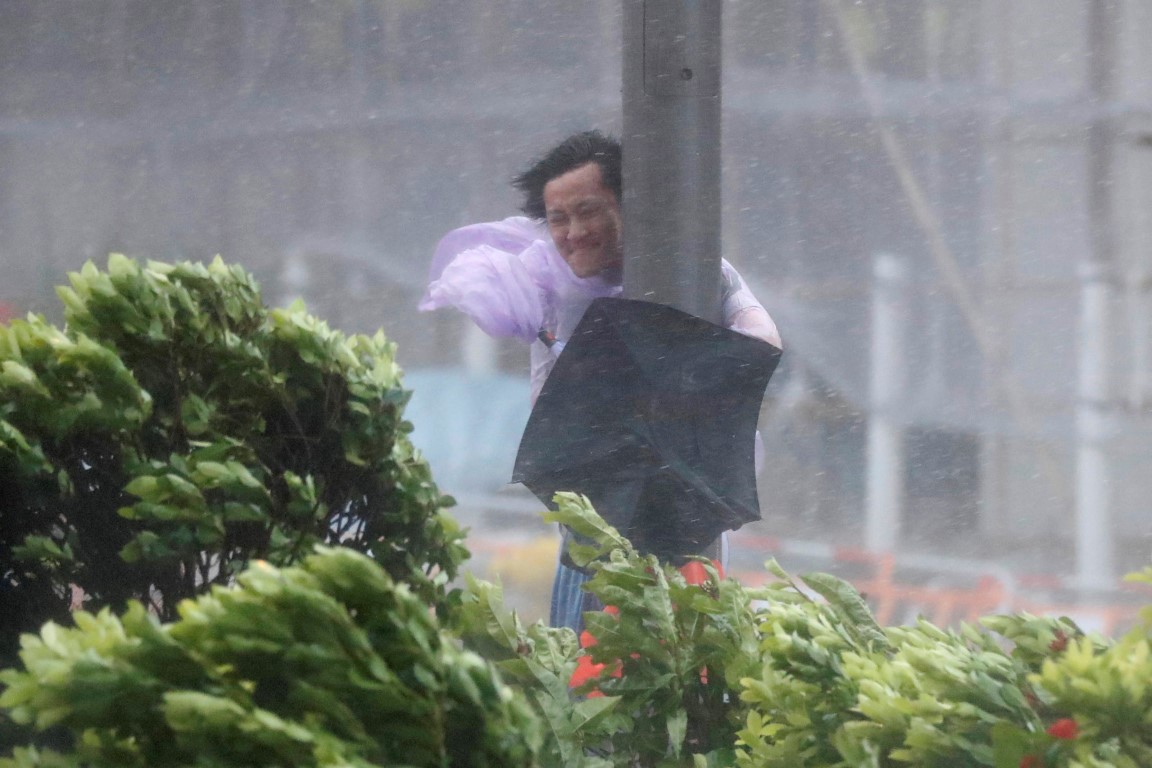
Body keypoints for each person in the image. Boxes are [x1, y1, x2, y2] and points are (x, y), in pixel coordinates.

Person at [419, 130, 780, 632]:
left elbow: (761, 338)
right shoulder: (545, 287)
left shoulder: (693, 272)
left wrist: (687, 377)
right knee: (591, 651)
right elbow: (551, 403)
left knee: (686, 642)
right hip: (594, 504)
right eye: (558, 219)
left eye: (588, 212)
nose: (573, 232)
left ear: (629, 207)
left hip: (686, 499)